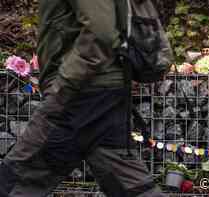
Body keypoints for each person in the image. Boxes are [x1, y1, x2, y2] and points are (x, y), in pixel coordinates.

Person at [0, 0, 166, 196]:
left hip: (80, 93)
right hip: (105, 92)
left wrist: (65, 82)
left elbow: (101, 31)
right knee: (131, 185)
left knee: (17, 178)